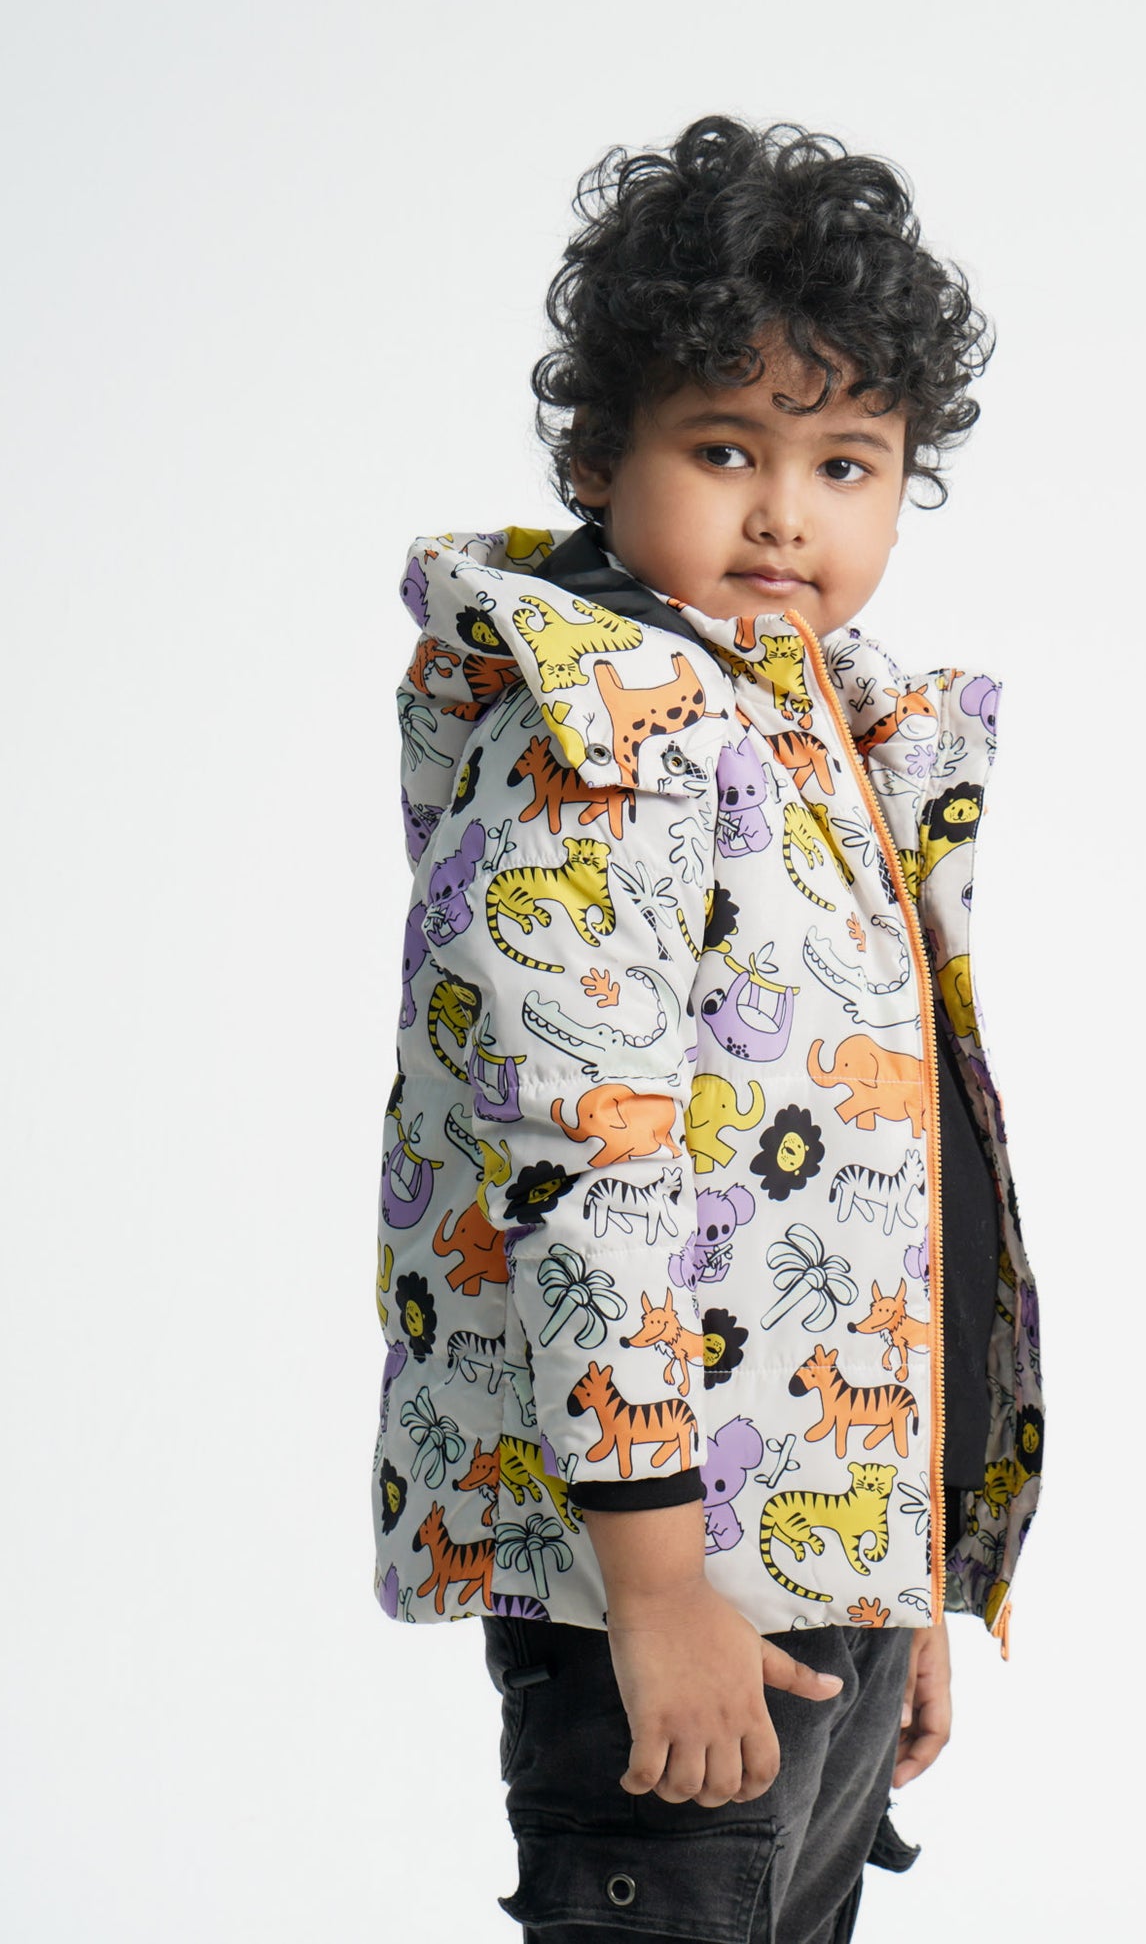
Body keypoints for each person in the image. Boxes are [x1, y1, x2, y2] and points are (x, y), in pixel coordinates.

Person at [374, 115, 1045, 1942]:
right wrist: (663, 1590)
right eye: (726, 447)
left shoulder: (818, 739)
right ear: (601, 456)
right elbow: (579, 1166)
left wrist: (887, 1578)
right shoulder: (604, 735)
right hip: (654, 1582)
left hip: (804, 1578)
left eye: (846, 462)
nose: (784, 513)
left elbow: (884, 1207)